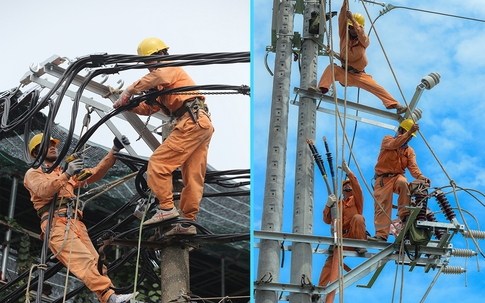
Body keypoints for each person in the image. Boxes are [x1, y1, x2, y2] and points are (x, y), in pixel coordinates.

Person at [113, 37, 214, 235]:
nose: (148, 68)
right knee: (192, 177)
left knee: (158, 164)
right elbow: (151, 107)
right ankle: (187, 224)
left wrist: (129, 90)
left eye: (148, 62)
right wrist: (129, 104)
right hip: (200, 124)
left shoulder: (170, 68)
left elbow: (158, 77)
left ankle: (167, 208)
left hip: (191, 120)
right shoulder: (163, 86)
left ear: (160, 55)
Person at [23, 133, 136, 303]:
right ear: (36, 151)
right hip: (55, 224)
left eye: (54, 144)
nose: (54, 146)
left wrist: (115, 149)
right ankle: (111, 298)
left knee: (96, 263)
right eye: (48, 144)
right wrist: (67, 174)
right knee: (84, 261)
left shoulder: (63, 172)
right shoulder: (33, 173)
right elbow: (44, 190)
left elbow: (95, 173)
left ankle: (110, 298)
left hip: (75, 222)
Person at [309, 0, 407, 115]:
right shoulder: (344, 36)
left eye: (355, 28)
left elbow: (364, 37)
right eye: (351, 28)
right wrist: (345, 3)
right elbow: (342, 19)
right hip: (344, 73)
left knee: (376, 87)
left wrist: (354, 20)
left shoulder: (363, 41)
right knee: (331, 68)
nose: (353, 30)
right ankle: (321, 88)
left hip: (360, 75)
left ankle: (396, 105)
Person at [370, 119, 430, 241]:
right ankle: (381, 235)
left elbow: (413, 168)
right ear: (400, 130)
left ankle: (404, 216)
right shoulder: (387, 140)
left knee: (403, 183)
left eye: (411, 136)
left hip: (397, 177)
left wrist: (421, 177)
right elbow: (395, 144)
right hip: (383, 179)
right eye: (408, 135)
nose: (409, 139)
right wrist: (409, 133)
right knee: (382, 207)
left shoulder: (409, 151)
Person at [318, 160, 367, 287]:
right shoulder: (337, 204)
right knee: (330, 262)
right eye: (345, 185)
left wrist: (349, 173)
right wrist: (328, 205)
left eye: (349, 184)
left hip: (355, 235)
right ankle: (320, 288)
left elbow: (358, 188)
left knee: (358, 218)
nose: (347, 186)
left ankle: (360, 244)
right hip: (341, 239)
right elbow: (327, 220)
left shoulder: (357, 200)